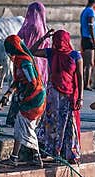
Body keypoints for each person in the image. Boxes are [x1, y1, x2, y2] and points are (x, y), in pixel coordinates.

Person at [30, 29, 83, 163]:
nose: (58, 43)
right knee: (52, 122)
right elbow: (31, 51)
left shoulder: (75, 55)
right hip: (53, 94)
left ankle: (68, 152)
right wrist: (44, 38)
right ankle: (51, 150)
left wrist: (80, 97)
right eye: (56, 40)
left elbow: (81, 78)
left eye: (61, 40)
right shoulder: (51, 53)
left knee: (68, 123)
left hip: (69, 95)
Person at [0, 36, 46, 168]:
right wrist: (8, 93)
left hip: (34, 98)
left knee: (25, 126)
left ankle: (36, 156)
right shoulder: (19, 61)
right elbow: (18, 80)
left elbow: (32, 82)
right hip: (32, 97)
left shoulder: (24, 62)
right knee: (21, 126)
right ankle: (14, 157)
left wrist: (21, 96)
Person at [18, 2, 50, 88]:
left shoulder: (27, 26)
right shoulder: (44, 27)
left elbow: (18, 37)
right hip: (41, 58)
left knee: (29, 83)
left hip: (28, 56)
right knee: (40, 84)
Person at [80, 0, 95, 90]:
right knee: (89, 63)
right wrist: (94, 41)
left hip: (85, 38)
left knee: (85, 63)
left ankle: (84, 82)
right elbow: (91, 26)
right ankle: (86, 84)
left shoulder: (84, 11)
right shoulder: (90, 12)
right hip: (89, 39)